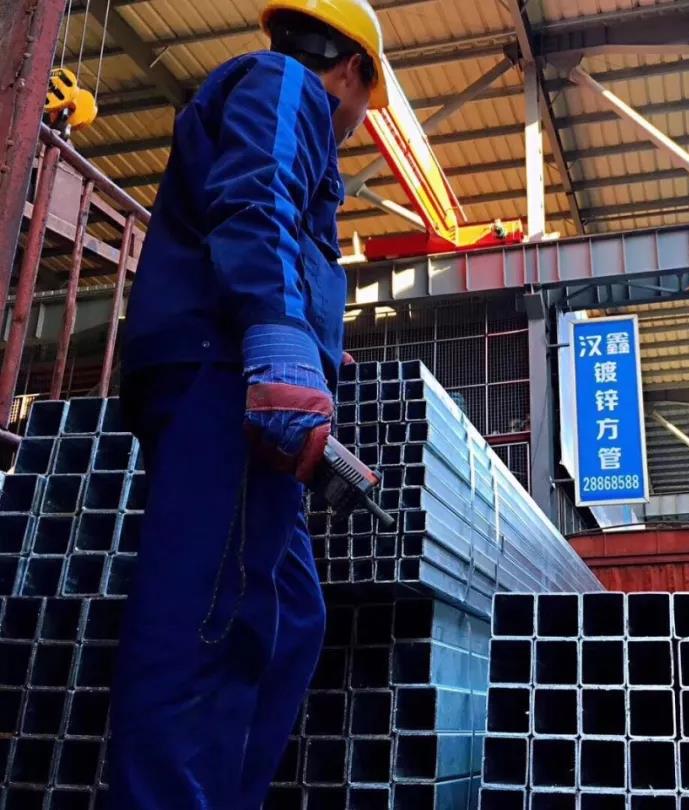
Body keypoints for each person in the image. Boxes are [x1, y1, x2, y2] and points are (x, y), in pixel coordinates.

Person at [107, 1, 387, 806]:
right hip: (224, 377)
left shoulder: (269, 93)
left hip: (226, 371)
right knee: (209, 623)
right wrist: (278, 335)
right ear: (352, 70)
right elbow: (257, 202)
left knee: (291, 618)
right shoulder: (286, 86)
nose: (357, 124)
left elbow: (273, 230)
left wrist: (315, 341)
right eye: (366, 104)